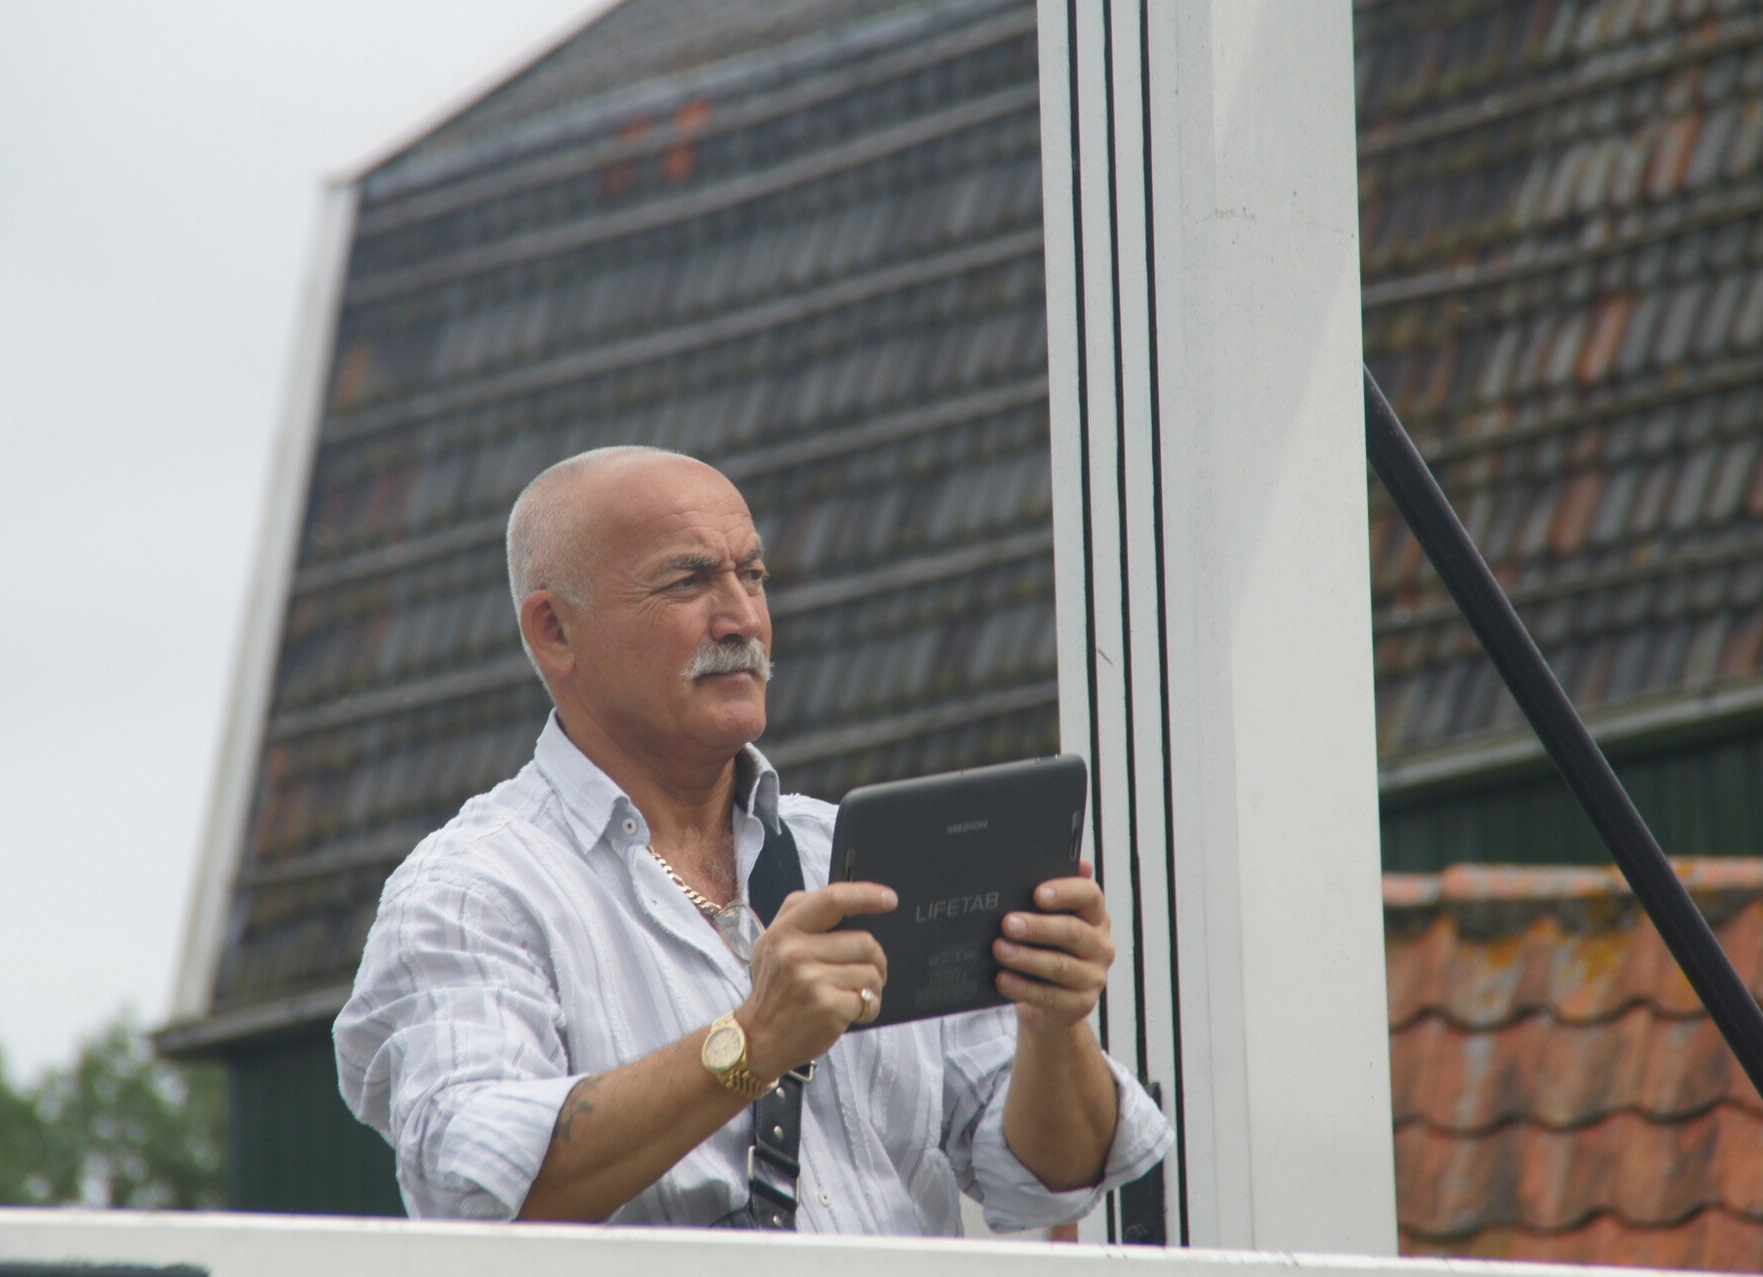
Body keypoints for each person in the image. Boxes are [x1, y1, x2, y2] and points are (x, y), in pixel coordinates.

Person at [334, 446, 1171, 1233]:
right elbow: (475, 1185)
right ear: (555, 630)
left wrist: (1054, 1022)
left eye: (753, 575)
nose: (741, 618)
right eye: (688, 580)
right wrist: (752, 1041)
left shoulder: (856, 850)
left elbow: (1051, 1174)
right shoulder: (471, 890)